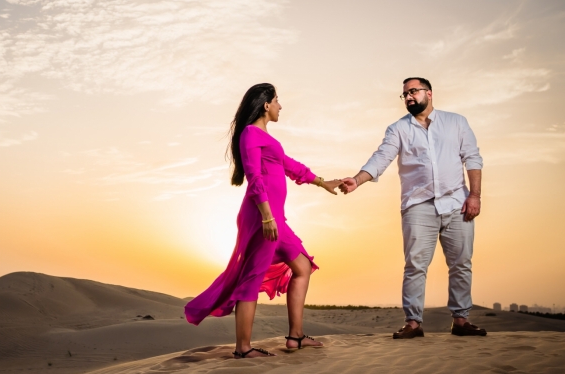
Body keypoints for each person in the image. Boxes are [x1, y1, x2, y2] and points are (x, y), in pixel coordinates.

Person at [184, 83, 342, 358]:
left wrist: (321, 182)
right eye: (278, 101)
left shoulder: (266, 137)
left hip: (275, 218)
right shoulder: (249, 134)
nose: (281, 106)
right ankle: (243, 348)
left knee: (302, 266)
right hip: (262, 217)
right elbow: (255, 178)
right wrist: (267, 217)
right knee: (252, 277)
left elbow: (289, 165)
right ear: (266, 105)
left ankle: (296, 337)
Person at [339, 77, 487, 338]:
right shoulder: (398, 129)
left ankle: (461, 321)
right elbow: (381, 157)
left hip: (457, 203)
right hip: (418, 206)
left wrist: (474, 195)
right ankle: (413, 323)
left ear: (429, 93)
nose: (408, 96)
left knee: (461, 263)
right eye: (404, 94)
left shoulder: (456, 122)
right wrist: (358, 180)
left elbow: (472, 158)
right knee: (415, 265)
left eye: (413, 91)